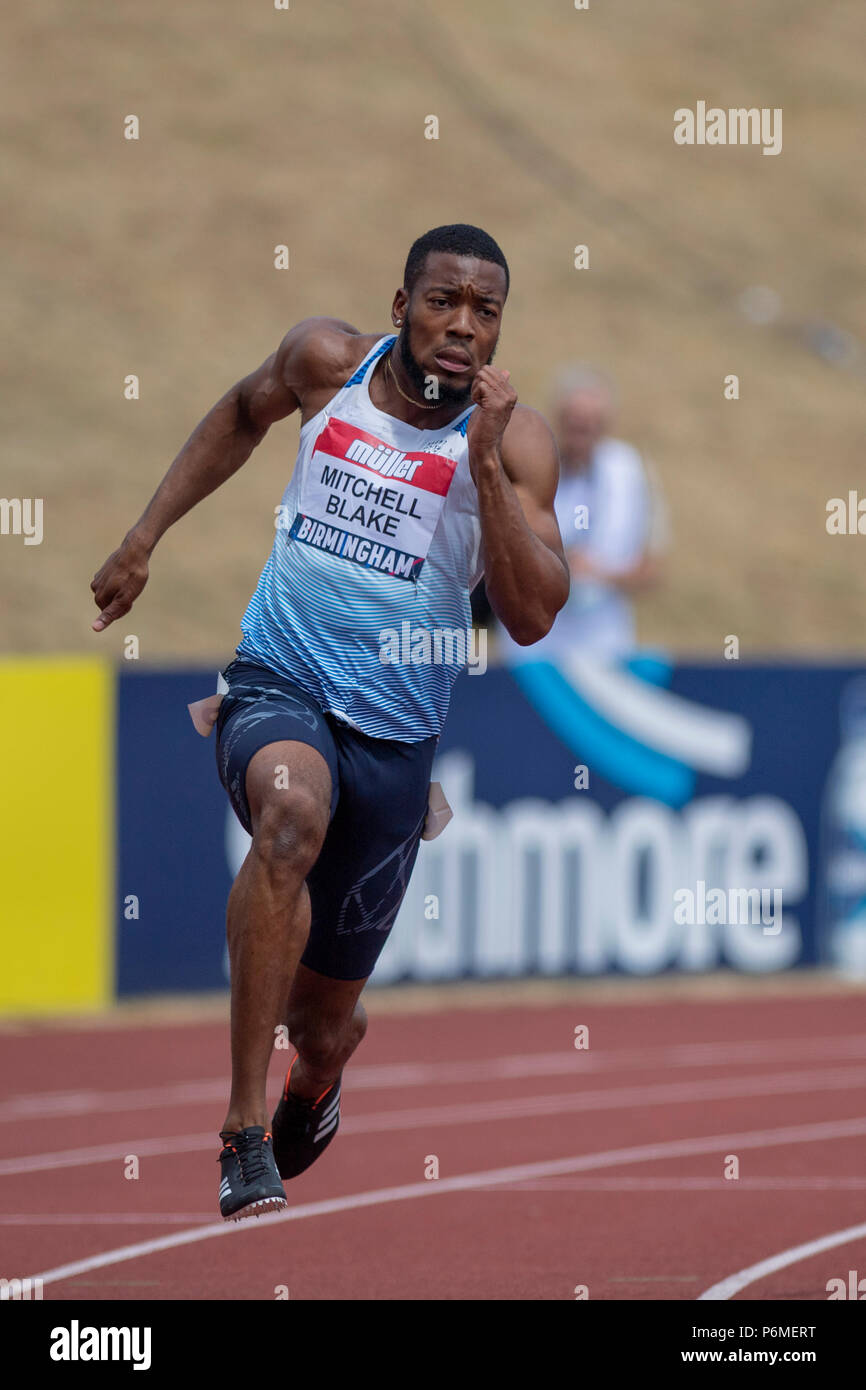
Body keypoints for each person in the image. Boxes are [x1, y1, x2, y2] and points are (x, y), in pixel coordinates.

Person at [90, 224, 569, 1220]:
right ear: (400, 308)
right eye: (442, 300)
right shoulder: (326, 363)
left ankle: (315, 1074)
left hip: (392, 742)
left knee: (321, 1024)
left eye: (485, 311)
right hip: (276, 679)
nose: (461, 325)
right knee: (287, 816)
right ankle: (239, 1128)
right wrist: (143, 539)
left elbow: (531, 614)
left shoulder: (515, 442)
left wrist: (479, 470)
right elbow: (237, 413)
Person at [498, 365, 665, 663]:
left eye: (590, 424)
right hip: (531, 645)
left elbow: (651, 570)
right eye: (573, 423)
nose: (580, 433)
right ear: (557, 420)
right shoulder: (527, 465)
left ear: (605, 425)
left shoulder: (631, 472)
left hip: (603, 644)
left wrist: (598, 574)